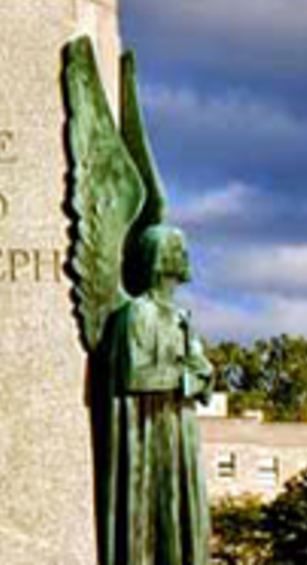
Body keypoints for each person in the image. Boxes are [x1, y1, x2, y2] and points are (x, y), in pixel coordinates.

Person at [93, 225, 213, 565]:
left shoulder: (181, 317)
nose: (187, 258)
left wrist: (198, 375)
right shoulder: (137, 313)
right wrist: (188, 377)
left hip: (179, 425)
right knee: (152, 514)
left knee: (184, 516)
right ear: (161, 260)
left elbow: (203, 370)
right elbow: (134, 374)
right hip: (147, 431)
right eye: (180, 250)